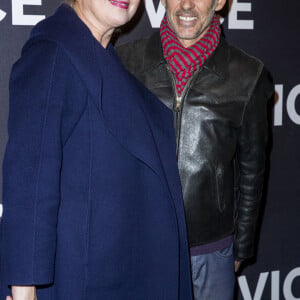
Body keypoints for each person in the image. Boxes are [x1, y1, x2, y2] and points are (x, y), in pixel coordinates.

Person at [0, 1, 193, 299]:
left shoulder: (101, 59)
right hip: (77, 281)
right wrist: (24, 290)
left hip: (119, 272)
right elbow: (30, 180)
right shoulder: (52, 53)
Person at [117, 0, 274, 298]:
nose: (186, 5)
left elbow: (252, 172)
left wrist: (240, 246)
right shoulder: (126, 63)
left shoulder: (248, 75)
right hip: (139, 245)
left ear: (220, 2)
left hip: (211, 252)